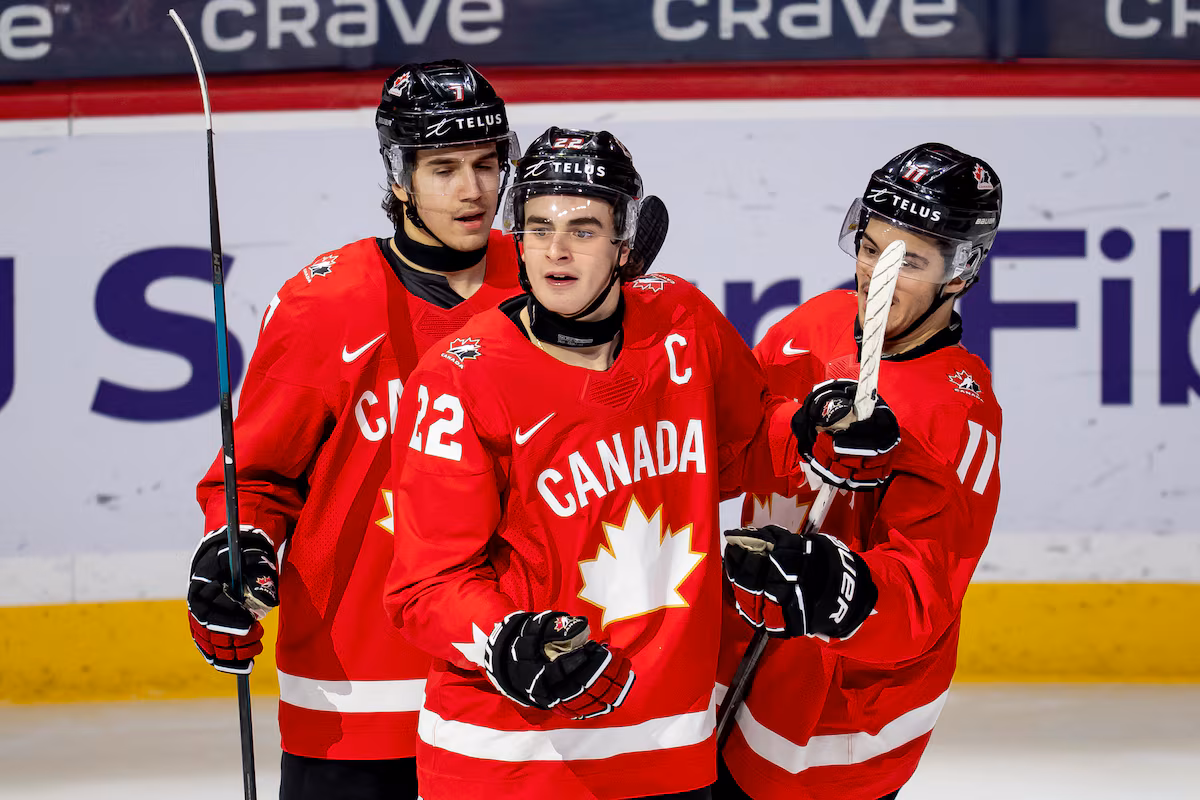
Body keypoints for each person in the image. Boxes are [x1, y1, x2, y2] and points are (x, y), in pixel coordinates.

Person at [381, 128, 877, 799]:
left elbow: (747, 454)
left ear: (625, 244)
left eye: (583, 229)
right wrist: (502, 639)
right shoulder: (458, 380)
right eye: (536, 227)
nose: (556, 249)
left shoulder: (685, 323)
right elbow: (425, 584)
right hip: (512, 759)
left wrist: (815, 430)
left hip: (671, 754)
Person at [186, 60, 522, 800]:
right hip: (355, 699)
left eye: (486, 163)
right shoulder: (327, 302)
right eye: (443, 168)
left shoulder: (545, 285)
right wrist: (232, 548)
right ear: (399, 177)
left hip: (509, 688)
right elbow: (258, 480)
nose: (473, 190)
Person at [714, 142, 1005, 800]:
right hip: (741, 661)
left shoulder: (958, 416)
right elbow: (735, 453)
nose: (877, 274)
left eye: (911, 261)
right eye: (872, 246)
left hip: (838, 721)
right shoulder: (813, 323)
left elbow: (924, 597)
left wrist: (841, 587)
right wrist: (799, 424)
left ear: (960, 274)